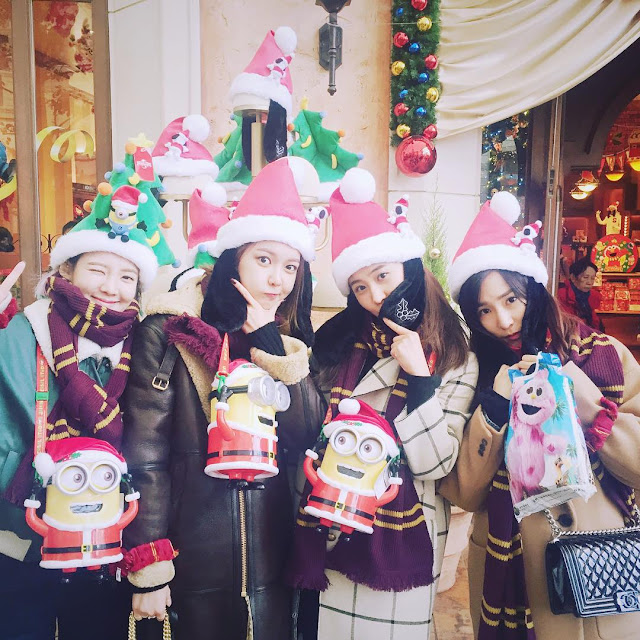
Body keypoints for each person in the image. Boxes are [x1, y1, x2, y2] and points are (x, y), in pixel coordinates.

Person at [120, 158, 326, 640]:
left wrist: (272, 346)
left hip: (271, 559)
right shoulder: (171, 330)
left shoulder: (285, 338)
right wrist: (150, 565)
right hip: (191, 558)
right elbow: (145, 455)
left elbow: (306, 434)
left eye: (290, 266)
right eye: (264, 260)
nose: (278, 280)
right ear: (233, 258)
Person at [287, 168, 478, 640]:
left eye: (383, 276)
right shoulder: (338, 344)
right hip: (323, 523)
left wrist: (419, 378)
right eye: (359, 286)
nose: (375, 296)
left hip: (395, 542)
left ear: (409, 269)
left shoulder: (455, 353)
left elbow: (436, 464)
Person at [440, 191, 640, 639]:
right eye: (485, 310)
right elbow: (463, 494)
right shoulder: (473, 373)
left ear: (532, 289)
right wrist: (493, 411)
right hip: (512, 564)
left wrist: (591, 410)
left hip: (599, 556)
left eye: (511, 300)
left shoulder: (603, 356)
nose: (503, 321)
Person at [0, 190, 162, 640]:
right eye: (97, 270)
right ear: (67, 270)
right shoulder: (22, 333)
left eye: (126, 277)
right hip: (22, 539)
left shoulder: (143, 345)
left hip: (105, 540)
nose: (111, 287)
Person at [557, 257, 602, 329]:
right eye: (585, 277)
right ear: (573, 278)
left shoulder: (592, 298)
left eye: (592, 278)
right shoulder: (562, 295)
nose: (589, 282)